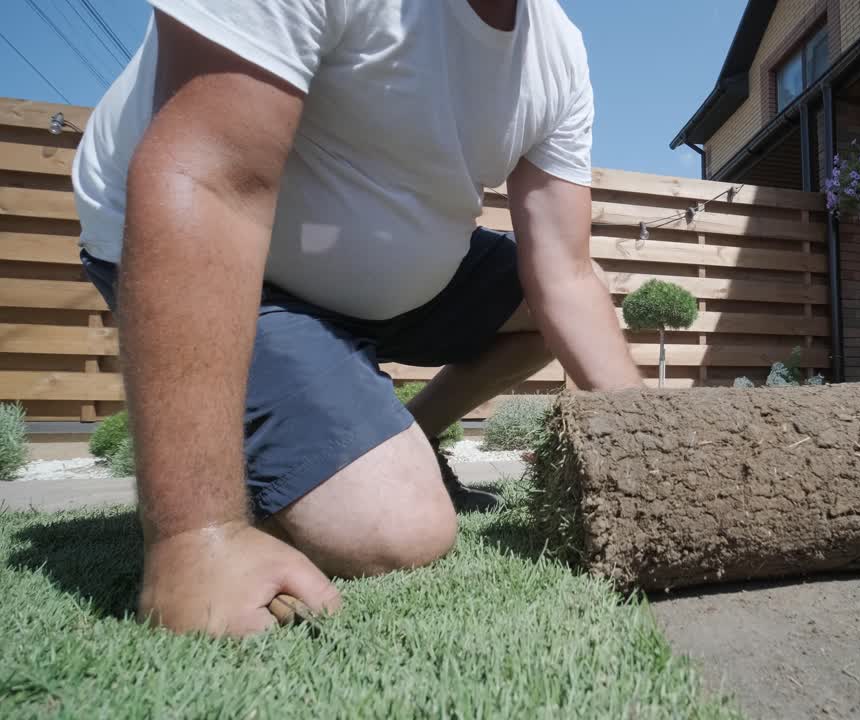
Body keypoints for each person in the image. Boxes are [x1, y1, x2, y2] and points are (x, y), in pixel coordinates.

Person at [71, 0, 644, 638]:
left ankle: (411, 433)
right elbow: (211, 180)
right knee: (396, 526)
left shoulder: (558, 53)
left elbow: (564, 275)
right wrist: (195, 533)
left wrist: (651, 453)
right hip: (236, 262)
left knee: (557, 302)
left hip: (379, 266)